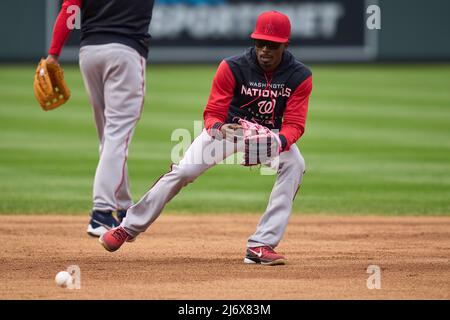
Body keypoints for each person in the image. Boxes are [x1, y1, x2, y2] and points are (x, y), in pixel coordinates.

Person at [100, 10, 313, 266]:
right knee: (183, 172)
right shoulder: (233, 67)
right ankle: (127, 227)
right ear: (254, 42)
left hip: (268, 137)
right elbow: (212, 112)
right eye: (260, 43)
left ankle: (261, 244)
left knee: (294, 164)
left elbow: (294, 124)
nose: (265, 50)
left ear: (285, 45)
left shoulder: (300, 76)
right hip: (230, 130)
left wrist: (278, 142)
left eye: (273, 45)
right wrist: (218, 128)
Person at [46, 0, 155, 237]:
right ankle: (102, 212)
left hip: (89, 53)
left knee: (108, 134)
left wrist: (53, 54)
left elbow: (69, 8)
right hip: (125, 53)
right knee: (117, 134)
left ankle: (124, 208)